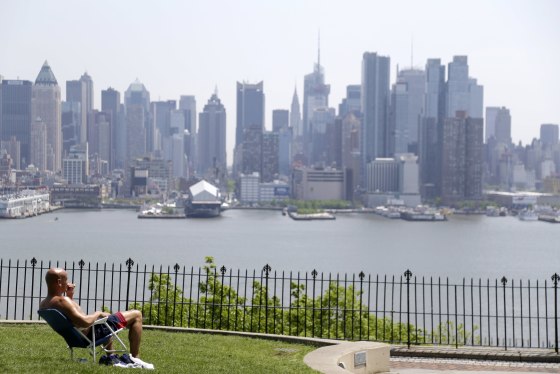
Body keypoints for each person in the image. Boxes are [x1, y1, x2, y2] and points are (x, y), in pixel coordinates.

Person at [39, 267, 154, 369]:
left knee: (106, 319)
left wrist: (69, 295)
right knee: (137, 314)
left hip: (76, 338)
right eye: (66, 280)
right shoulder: (62, 301)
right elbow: (84, 322)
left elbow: (71, 317)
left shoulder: (44, 304)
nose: (68, 282)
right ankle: (135, 357)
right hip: (92, 335)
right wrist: (98, 313)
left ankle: (111, 356)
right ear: (59, 282)